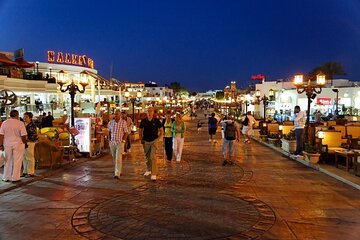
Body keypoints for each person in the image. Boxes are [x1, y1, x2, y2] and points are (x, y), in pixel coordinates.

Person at [0, 110, 27, 183]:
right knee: (17, 161)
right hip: (18, 144)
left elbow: (1, 135)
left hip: (7, 144)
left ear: (10, 115)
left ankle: (6, 177)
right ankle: (15, 178)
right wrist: (25, 142)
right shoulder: (20, 123)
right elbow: (23, 135)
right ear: (17, 115)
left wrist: (1, 145)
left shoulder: (5, 123)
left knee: (7, 160)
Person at [139, 106, 163, 181]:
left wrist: (158, 138)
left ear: (153, 112)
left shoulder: (156, 121)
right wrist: (141, 138)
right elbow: (140, 130)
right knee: (147, 156)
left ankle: (154, 174)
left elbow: (161, 131)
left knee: (152, 156)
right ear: (146, 112)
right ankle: (148, 170)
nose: (149, 112)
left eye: (151, 111)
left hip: (154, 141)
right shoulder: (143, 121)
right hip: (146, 141)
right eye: (148, 111)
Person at [107, 110, 129, 179]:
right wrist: (109, 140)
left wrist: (123, 140)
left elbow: (126, 132)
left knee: (118, 157)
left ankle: (117, 173)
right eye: (115, 114)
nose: (116, 115)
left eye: (117, 114)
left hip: (120, 142)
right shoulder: (111, 122)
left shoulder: (123, 122)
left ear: (120, 115)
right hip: (112, 142)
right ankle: (118, 169)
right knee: (114, 157)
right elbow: (109, 132)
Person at [22, 112, 38, 178]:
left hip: (30, 142)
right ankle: (25, 171)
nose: (24, 118)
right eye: (24, 116)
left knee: (30, 157)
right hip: (23, 142)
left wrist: (27, 139)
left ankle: (31, 172)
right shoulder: (23, 124)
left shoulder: (32, 125)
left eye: (26, 117)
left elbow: (34, 135)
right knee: (24, 157)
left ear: (30, 118)